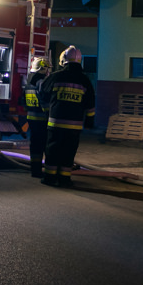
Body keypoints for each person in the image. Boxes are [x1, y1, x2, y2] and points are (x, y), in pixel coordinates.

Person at [38, 45, 95, 188]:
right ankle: (64, 179)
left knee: (52, 151)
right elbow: (90, 104)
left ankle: (50, 178)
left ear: (64, 60)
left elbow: (42, 94)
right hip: (74, 126)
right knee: (69, 152)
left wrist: (46, 112)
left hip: (55, 123)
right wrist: (89, 122)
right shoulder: (85, 80)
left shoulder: (55, 77)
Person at [23, 57, 51, 178]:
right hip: (42, 119)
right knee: (45, 146)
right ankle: (48, 171)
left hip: (31, 118)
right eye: (47, 69)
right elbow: (44, 100)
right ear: (43, 69)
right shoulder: (41, 82)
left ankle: (35, 170)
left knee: (35, 146)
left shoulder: (29, 83)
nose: (48, 72)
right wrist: (50, 114)